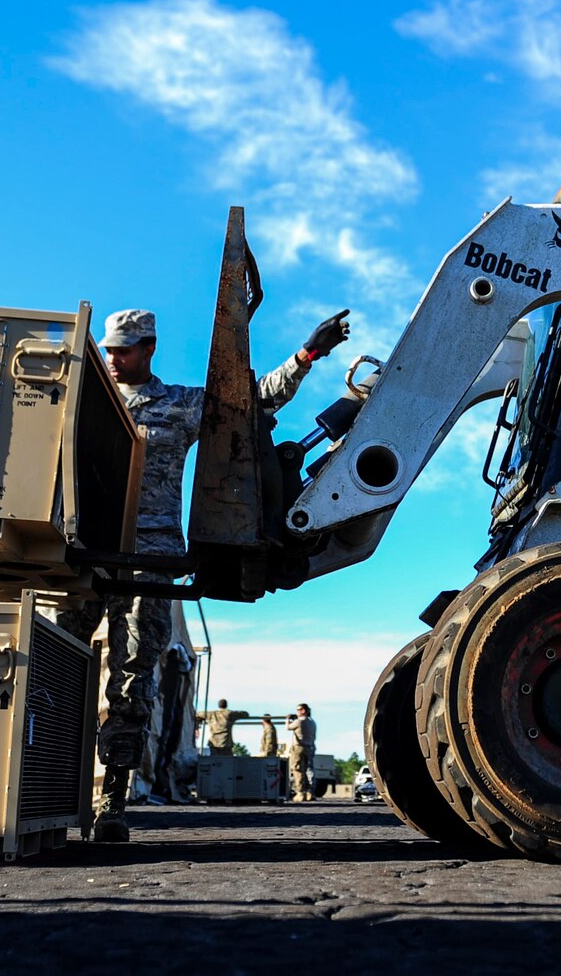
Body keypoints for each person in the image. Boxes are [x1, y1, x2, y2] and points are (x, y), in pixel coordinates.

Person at [66, 305, 351, 840]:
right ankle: (47, 788)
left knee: (131, 682)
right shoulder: (80, 402)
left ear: (149, 347)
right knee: (56, 665)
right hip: (81, 553)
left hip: (147, 564)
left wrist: (308, 354)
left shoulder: (176, 406)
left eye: (122, 349)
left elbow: (252, 400)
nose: (112, 359)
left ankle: (112, 804)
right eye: (107, 350)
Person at [285, 703, 317, 802]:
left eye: (298, 710)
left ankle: (300, 792)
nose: (297, 712)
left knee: (297, 770)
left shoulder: (299, 722)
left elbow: (288, 727)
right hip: (309, 746)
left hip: (298, 747)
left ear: (303, 711)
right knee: (308, 770)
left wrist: (287, 719)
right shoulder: (312, 722)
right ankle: (309, 792)